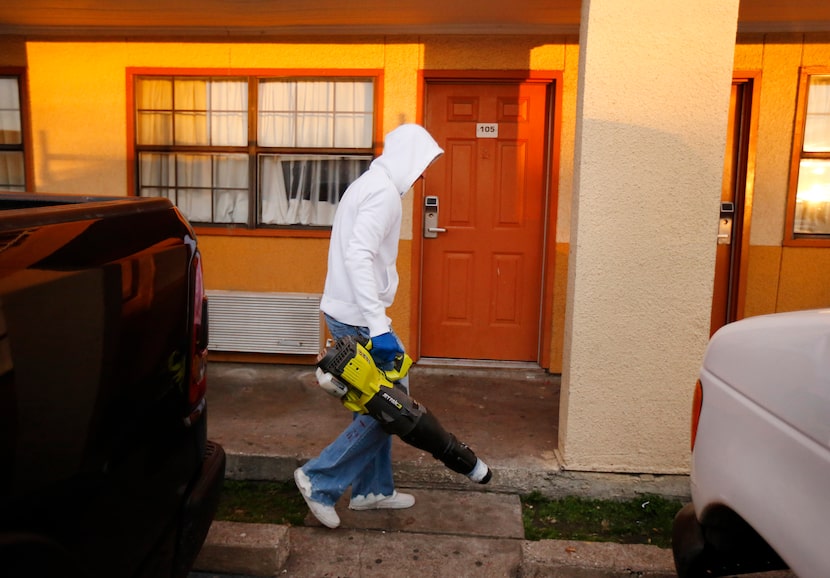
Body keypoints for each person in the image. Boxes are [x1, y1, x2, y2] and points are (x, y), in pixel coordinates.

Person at [294, 123, 444, 529]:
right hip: (359, 320)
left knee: (374, 408)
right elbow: (359, 256)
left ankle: (372, 490)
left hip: (349, 311)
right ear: (408, 157)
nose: (421, 175)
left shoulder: (368, 184)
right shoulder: (382, 195)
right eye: (422, 164)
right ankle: (318, 480)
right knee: (394, 410)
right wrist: (378, 327)